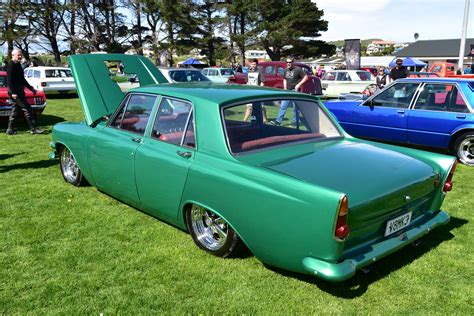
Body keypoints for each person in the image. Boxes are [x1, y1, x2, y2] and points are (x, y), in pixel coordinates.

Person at [6, 48, 43, 135]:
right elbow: (9, 81)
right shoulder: (11, 65)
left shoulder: (18, 64)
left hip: (20, 90)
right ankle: (33, 128)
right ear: (13, 55)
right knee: (27, 108)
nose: (20, 57)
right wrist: (13, 92)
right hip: (15, 92)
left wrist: (31, 88)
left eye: (20, 55)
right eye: (18, 55)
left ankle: (10, 129)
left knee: (15, 110)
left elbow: (22, 79)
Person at [271, 57, 308, 126]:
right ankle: (278, 121)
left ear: (293, 62)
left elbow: (306, 77)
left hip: (295, 91)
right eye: (287, 62)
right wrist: (285, 87)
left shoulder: (298, 69)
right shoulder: (286, 70)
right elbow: (285, 79)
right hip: (287, 91)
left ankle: (295, 122)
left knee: (295, 108)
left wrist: (299, 85)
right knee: (283, 106)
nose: (288, 63)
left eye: (290, 62)